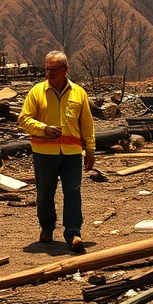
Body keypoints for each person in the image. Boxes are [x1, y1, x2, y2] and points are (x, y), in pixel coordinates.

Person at [18, 50, 95, 253]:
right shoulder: (37, 92)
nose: (49, 74)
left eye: (53, 70)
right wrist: (43, 129)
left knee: (72, 191)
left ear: (66, 70)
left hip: (71, 154)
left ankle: (73, 233)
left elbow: (87, 124)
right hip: (44, 154)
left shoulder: (79, 93)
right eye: (47, 69)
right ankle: (47, 227)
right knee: (45, 193)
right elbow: (23, 119)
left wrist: (90, 150)